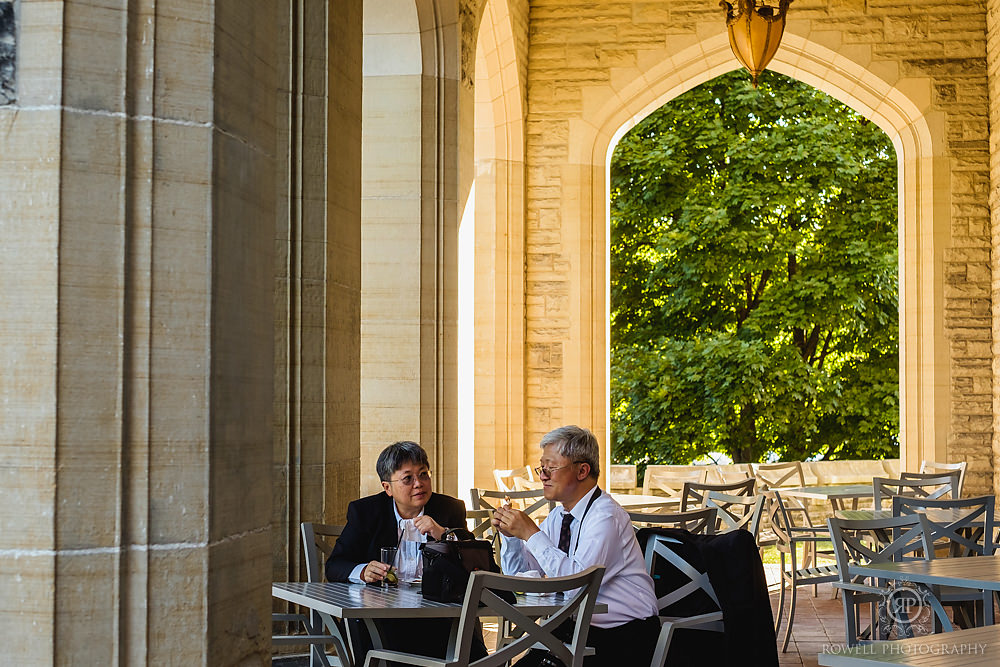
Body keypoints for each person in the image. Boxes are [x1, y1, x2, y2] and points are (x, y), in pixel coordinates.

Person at [491, 425, 660, 667]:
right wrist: (511, 537)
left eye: (551, 467)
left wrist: (530, 532)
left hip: (623, 635)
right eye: (542, 467)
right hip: (574, 629)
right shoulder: (559, 516)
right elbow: (521, 576)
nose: (543, 475)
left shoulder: (605, 516)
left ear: (582, 470)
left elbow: (577, 583)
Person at [326, 440, 487, 663]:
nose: (419, 484)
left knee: (470, 647)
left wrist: (443, 534)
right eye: (408, 478)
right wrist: (363, 571)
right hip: (381, 618)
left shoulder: (449, 509)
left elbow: (475, 564)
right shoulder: (365, 512)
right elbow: (335, 565)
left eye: (424, 474)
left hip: (440, 618)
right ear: (387, 487)